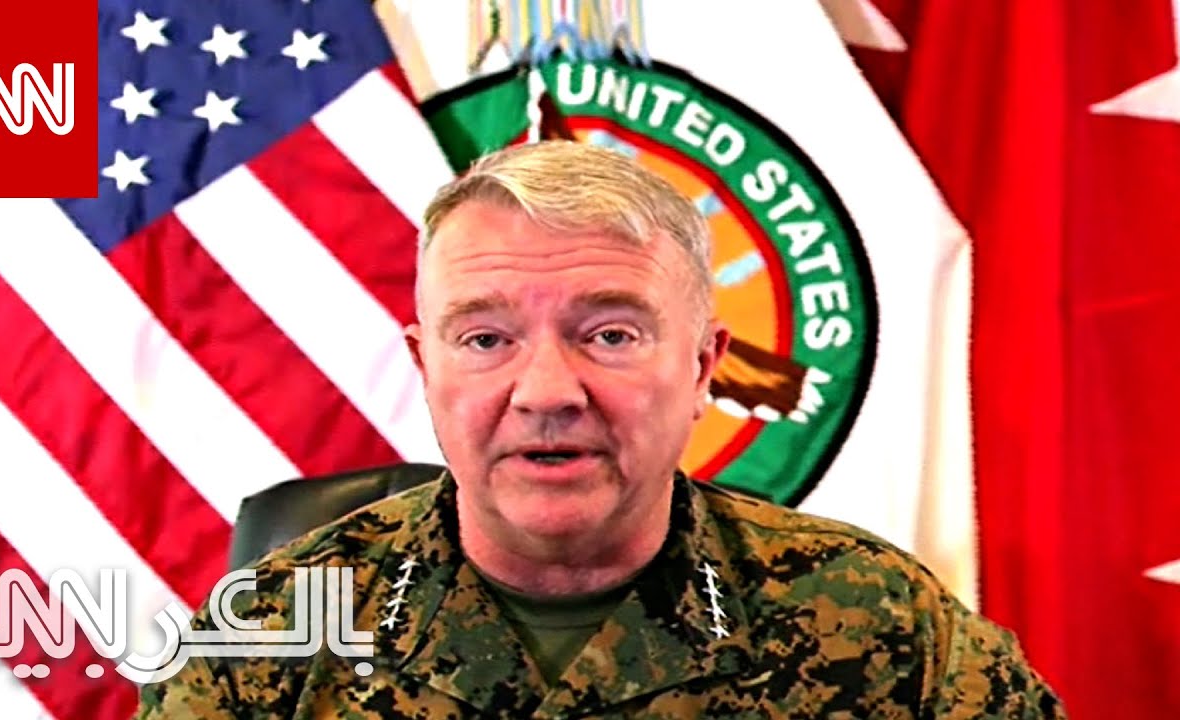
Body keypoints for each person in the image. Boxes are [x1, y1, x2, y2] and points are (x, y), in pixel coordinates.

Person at [134, 141, 1065, 718]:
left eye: (610, 334)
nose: (547, 391)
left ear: (702, 365)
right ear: (426, 366)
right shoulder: (273, 636)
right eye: (486, 338)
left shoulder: (881, 626)